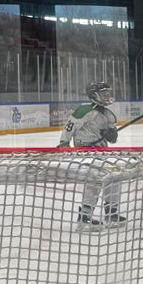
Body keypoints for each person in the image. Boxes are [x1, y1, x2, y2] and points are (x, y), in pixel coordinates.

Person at [57, 80, 122, 225]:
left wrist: (112, 134)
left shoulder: (109, 114)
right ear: (94, 95)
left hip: (103, 154)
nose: (107, 96)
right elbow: (69, 128)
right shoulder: (83, 110)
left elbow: (112, 140)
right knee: (95, 179)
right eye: (104, 93)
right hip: (85, 154)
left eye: (108, 93)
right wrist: (64, 143)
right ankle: (84, 217)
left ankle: (111, 214)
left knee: (115, 176)